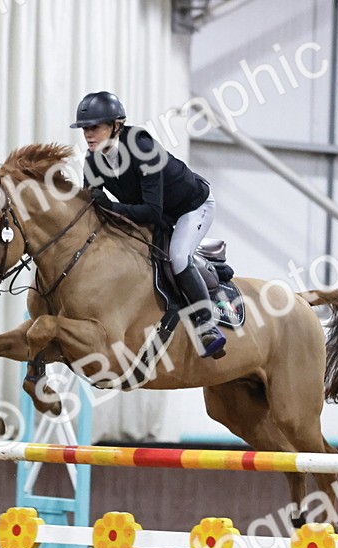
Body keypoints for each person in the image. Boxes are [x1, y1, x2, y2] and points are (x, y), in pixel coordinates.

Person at [71, 91, 226, 359]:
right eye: (85, 128)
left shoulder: (142, 147)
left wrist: (109, 206)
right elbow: (92, 209)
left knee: (178, 257)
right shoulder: (93, 160)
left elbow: (151, 212)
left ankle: (206, 323)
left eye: (94, 127)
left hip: (192, 207)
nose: (88, 134)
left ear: (116, 125)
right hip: (160, 213)